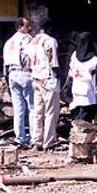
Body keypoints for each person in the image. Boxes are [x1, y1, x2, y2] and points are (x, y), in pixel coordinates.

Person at [27, 16, 61, 151]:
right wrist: (61, 77)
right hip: (48, 79)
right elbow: (54, 63)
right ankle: (49, 142)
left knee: (38, 112)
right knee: (51, 112)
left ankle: (36, 142)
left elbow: (28, 63)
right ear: (49, 28)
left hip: (35, 79)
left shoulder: (32, 42)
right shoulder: (50, 41)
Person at [3, 18, 34, 149]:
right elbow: (29, 57)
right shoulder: (27, 39)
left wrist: (6, 77)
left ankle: (20, 138)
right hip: (24, 73)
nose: (30, 28)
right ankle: (34, 137)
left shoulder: (9, 41)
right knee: (33, 108)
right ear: (20, 27)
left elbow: (4, 62)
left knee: (18, 108)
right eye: (27, 25)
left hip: (12, 75)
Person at [67, 32, 97, 122]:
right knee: (86, 115)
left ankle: (76, 133)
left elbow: (71, 69)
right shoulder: (93, 58)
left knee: (78, 112)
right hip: (87, 89)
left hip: (76, 88)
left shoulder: (74, 55)